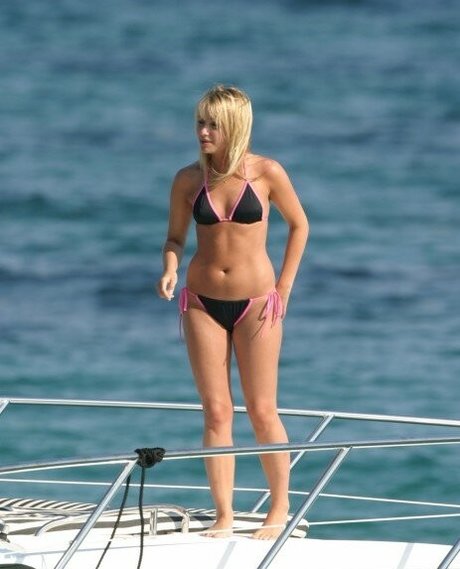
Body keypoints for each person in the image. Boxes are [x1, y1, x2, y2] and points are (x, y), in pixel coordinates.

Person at [157, 85, 309, 539]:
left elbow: (299, 225)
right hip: (201, 303)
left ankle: (278, 509)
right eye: (200, 123)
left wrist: (283, 287)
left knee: (262, 409)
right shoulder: (188, 179)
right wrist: (169, 268)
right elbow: (175, 238)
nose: (203, 132)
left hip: (258, 304)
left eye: (213, 125)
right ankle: (223, 514)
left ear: (235, 127)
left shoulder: (266, 172)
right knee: (216, 411)